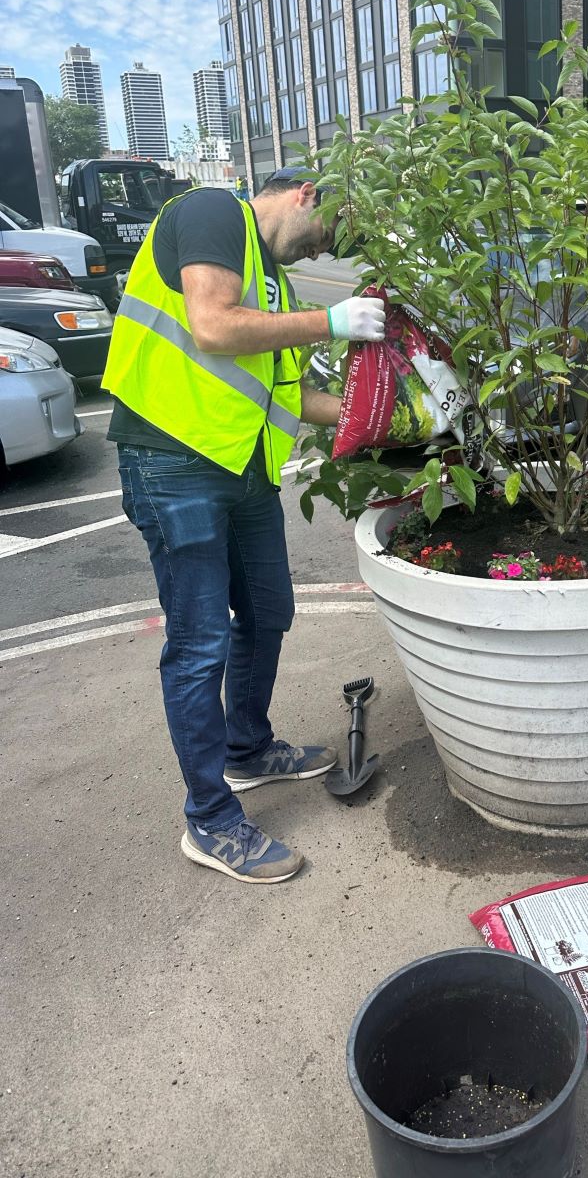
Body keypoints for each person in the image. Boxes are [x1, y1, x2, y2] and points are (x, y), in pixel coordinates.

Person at [101, 168, 386, 884]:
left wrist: (396, 421)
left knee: (266, 613)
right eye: (327, 237)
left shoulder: (277, 289)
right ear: (307, 193)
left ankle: (247, 748)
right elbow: (212, 324)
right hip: (173, 459)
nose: (321, 254)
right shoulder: (209, 213)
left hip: (244, 468)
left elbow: (296, 396)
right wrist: (333, 321)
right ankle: (210, 818)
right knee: (198, 644)